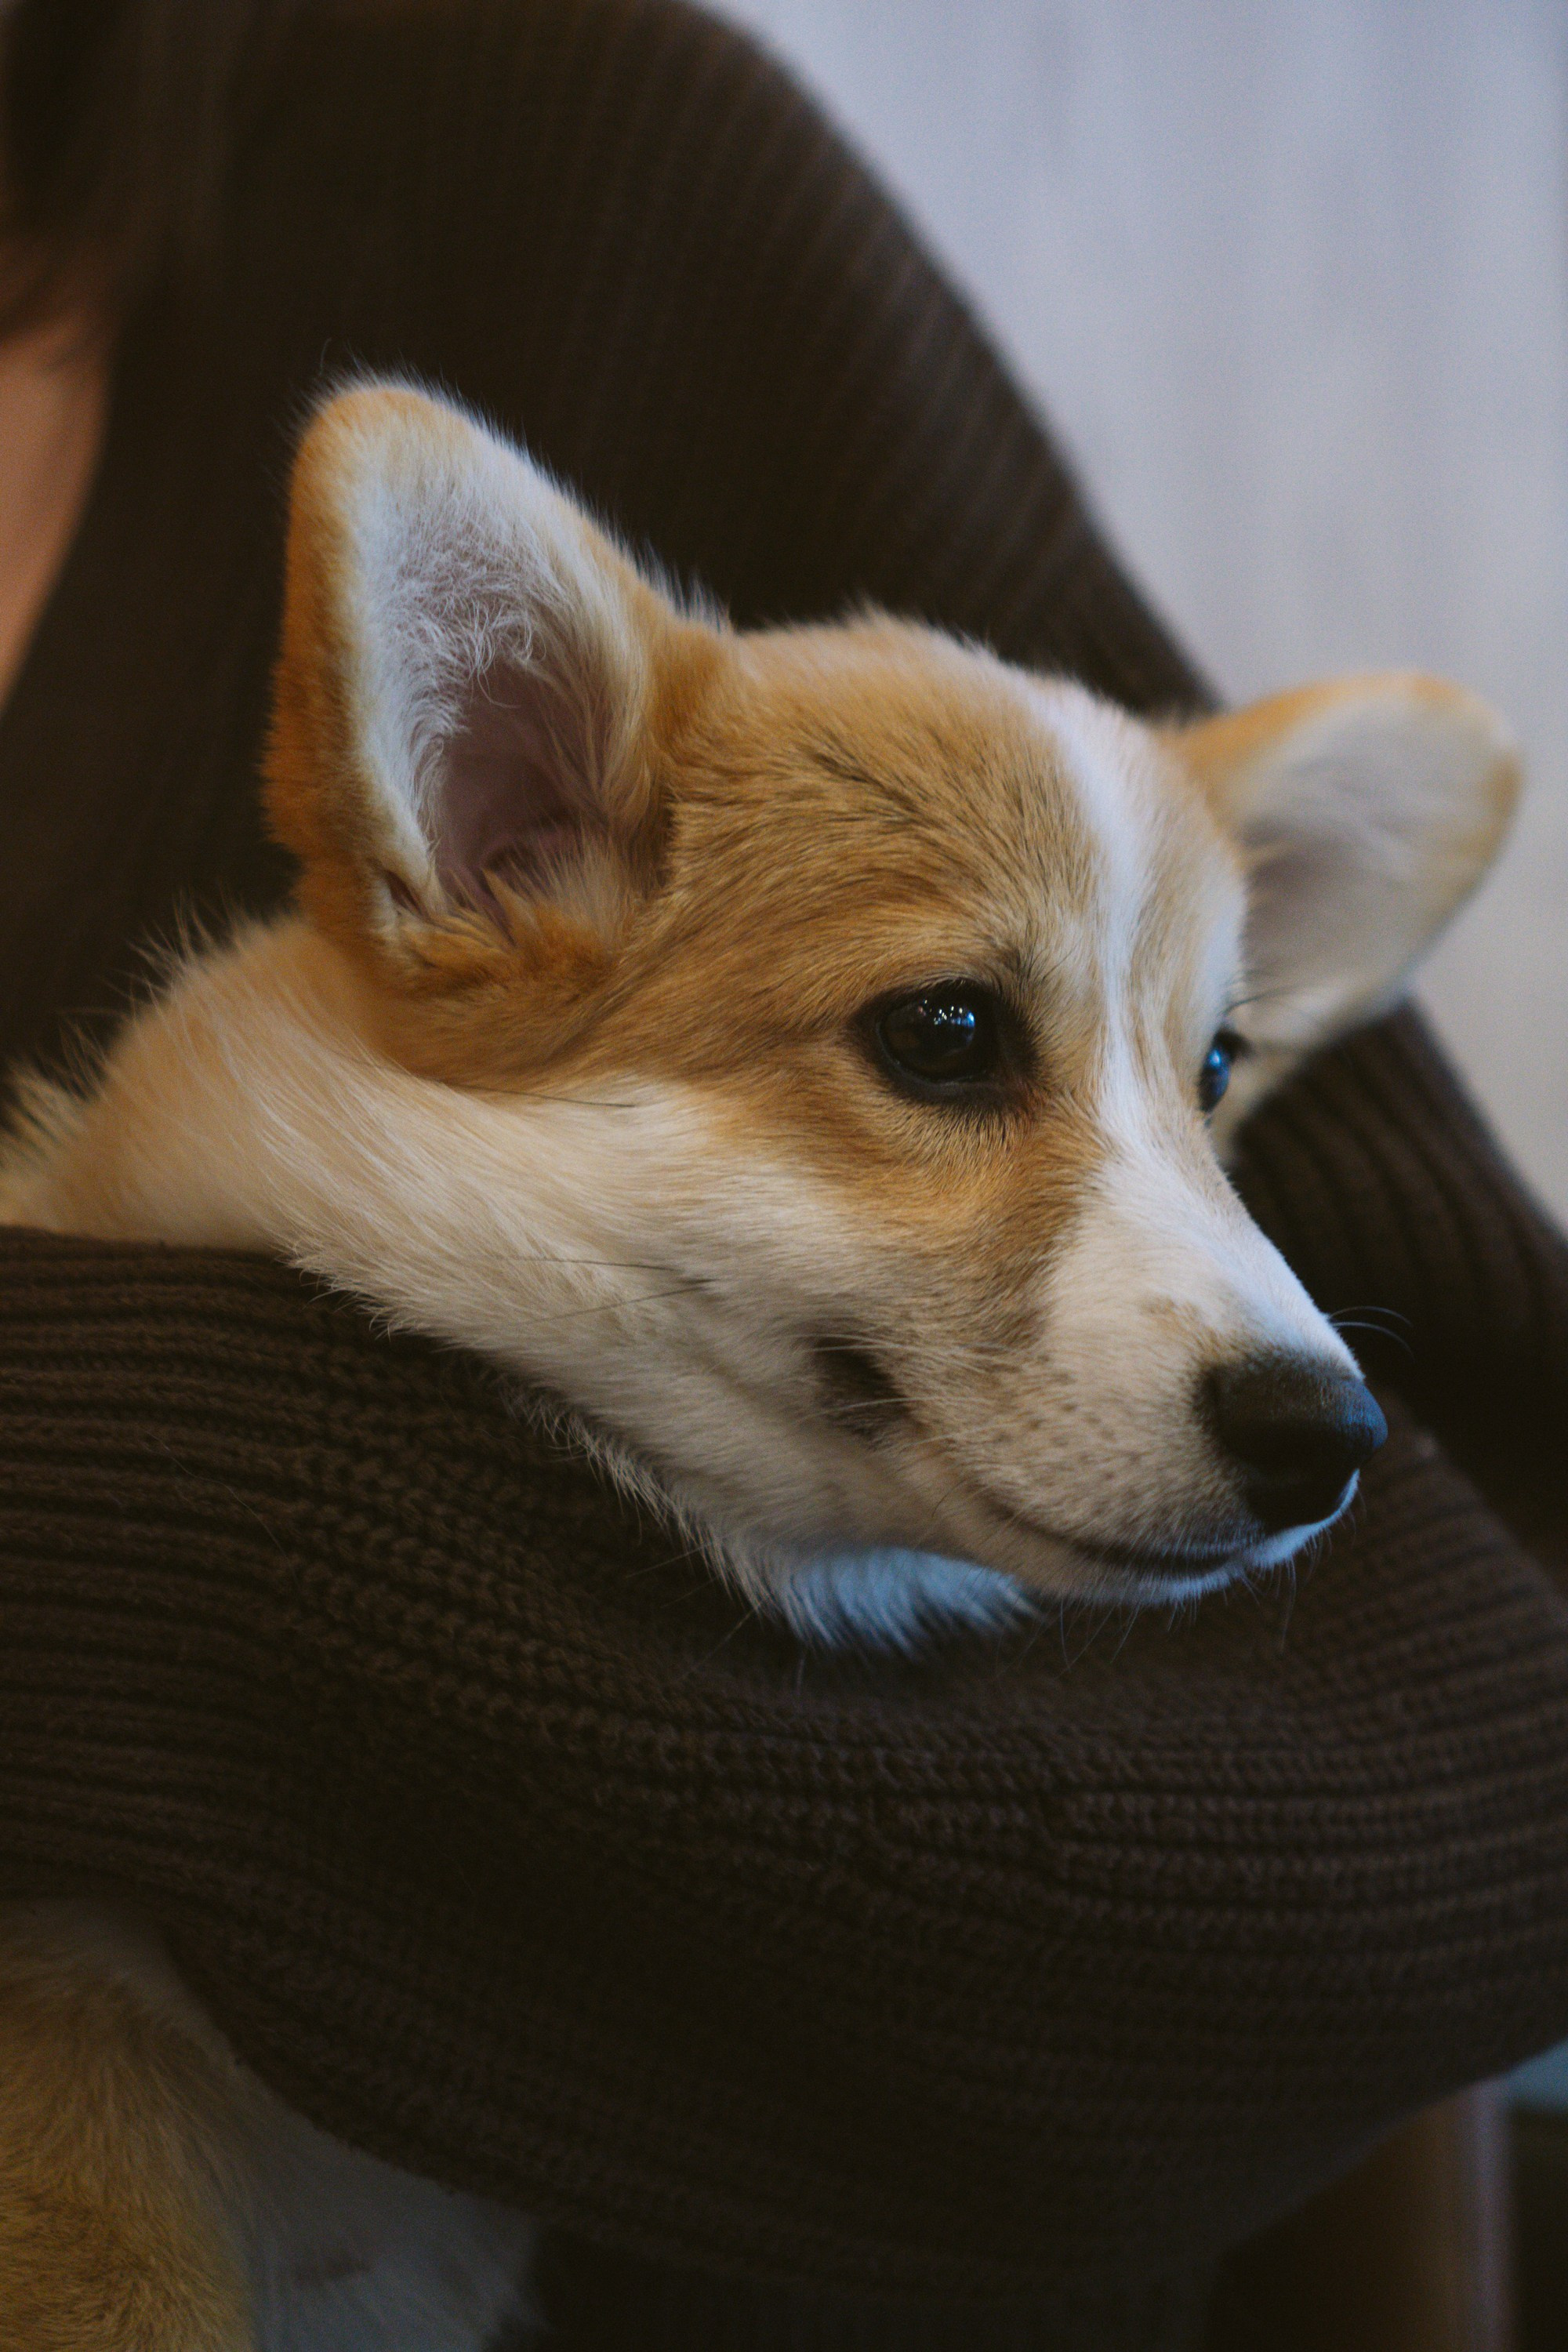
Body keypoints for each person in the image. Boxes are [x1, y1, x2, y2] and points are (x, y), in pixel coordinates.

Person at [1, 1, 1566, 2344]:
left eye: (1208, 1068)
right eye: (949, 1037)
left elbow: (1494, 1647)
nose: (1263, 1319)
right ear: (498, 823)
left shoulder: (549, 138)